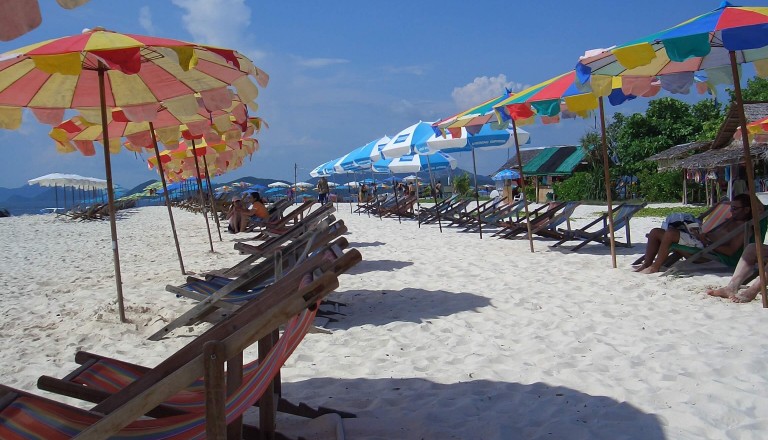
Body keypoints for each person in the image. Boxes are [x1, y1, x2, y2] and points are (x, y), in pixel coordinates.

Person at [634, 193, 756, 274]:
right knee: (655, 232)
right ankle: (647, 264)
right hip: (701, 241)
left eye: (735, 209)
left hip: (708, 252)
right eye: (731, 208)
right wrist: (699, 233)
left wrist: (707, 241)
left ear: (746, 209)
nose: (732, 211)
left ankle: (655, 267)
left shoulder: (744, 228)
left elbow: (730, 251)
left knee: (671, 233)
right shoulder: (731, 221)